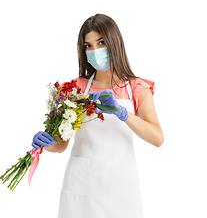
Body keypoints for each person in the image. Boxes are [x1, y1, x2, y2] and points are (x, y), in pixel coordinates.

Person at [32, 14, 164, 218]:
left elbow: (157, 138)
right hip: (81, 187)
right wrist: (46, 142)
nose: (95, 51)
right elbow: (61, 144)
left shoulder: (137, 88)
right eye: (88, 46)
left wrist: (122, 113)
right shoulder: (76, 88)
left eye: (101, 42)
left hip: (121, 186)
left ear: (114, 42)